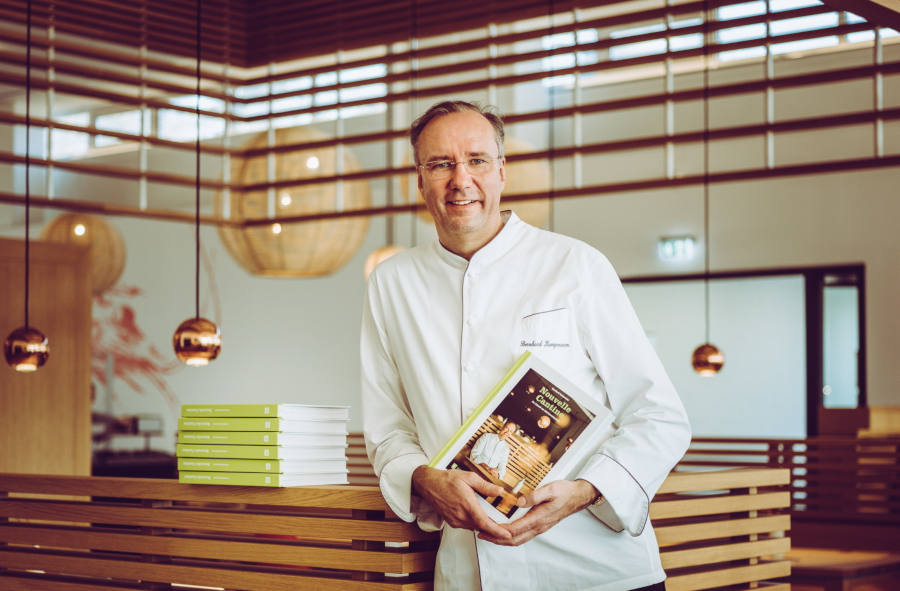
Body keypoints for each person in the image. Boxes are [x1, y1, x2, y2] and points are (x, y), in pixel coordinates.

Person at [361, 100, 691, 591]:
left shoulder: (575, 266)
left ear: (501, 172)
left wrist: (585, 491)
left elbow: (659, 416)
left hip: (599, 571)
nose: (460, 179)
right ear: (419, 179)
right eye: (440, 164)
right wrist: (425, 479)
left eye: (476, 160)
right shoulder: (391, 283)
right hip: (468, 573)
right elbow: (388, 431)